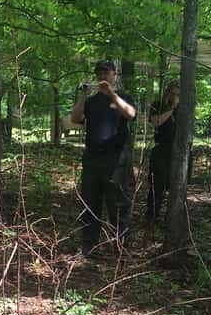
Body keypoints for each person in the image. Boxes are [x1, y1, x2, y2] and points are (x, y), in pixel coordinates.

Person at [70, 59, 137, 256]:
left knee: (117, 203)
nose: (102, 76)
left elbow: (131, 114)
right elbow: (75, 118)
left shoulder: (124, 97)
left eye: (106, 72)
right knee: (90, 202)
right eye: (99, 73)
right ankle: (89, 245)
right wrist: (83, 94)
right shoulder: (91, 101)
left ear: (114, 75)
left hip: (116, 159)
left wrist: (112, 95)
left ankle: (120, 246)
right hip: (92, 158)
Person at [146, 80, 180, 222]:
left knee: (176, 186)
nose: (175, 96)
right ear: (167, 91)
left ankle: (172, 218)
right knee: (157, 185)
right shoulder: (158, 105)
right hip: (161, 150)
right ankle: (151, 216)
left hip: (179, 152)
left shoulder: (185, 108)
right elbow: (156, 122)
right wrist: (172, 108)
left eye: (178, 94)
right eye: (172, 93)